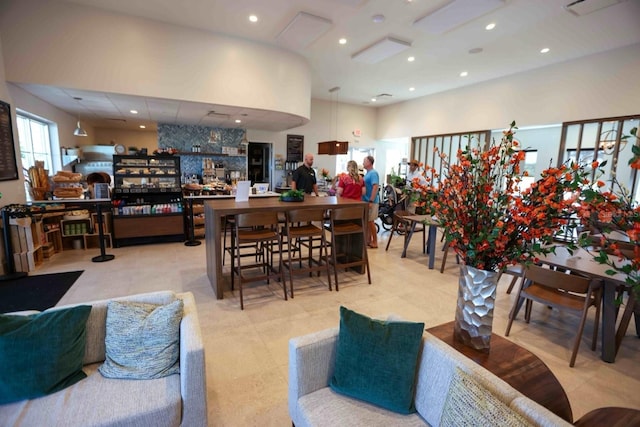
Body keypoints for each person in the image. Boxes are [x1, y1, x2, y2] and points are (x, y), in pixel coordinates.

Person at [361, 155, 379, 248]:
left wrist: (371, 200)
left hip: (371, 201)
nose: (363, 163)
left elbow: (375, 187)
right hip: (366, 201)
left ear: (369, 162)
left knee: (371, 221)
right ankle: (368, 240)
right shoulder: (367, 173)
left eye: (364, 161)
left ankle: (375, 241)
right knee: (367, 221)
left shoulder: (373, 173)